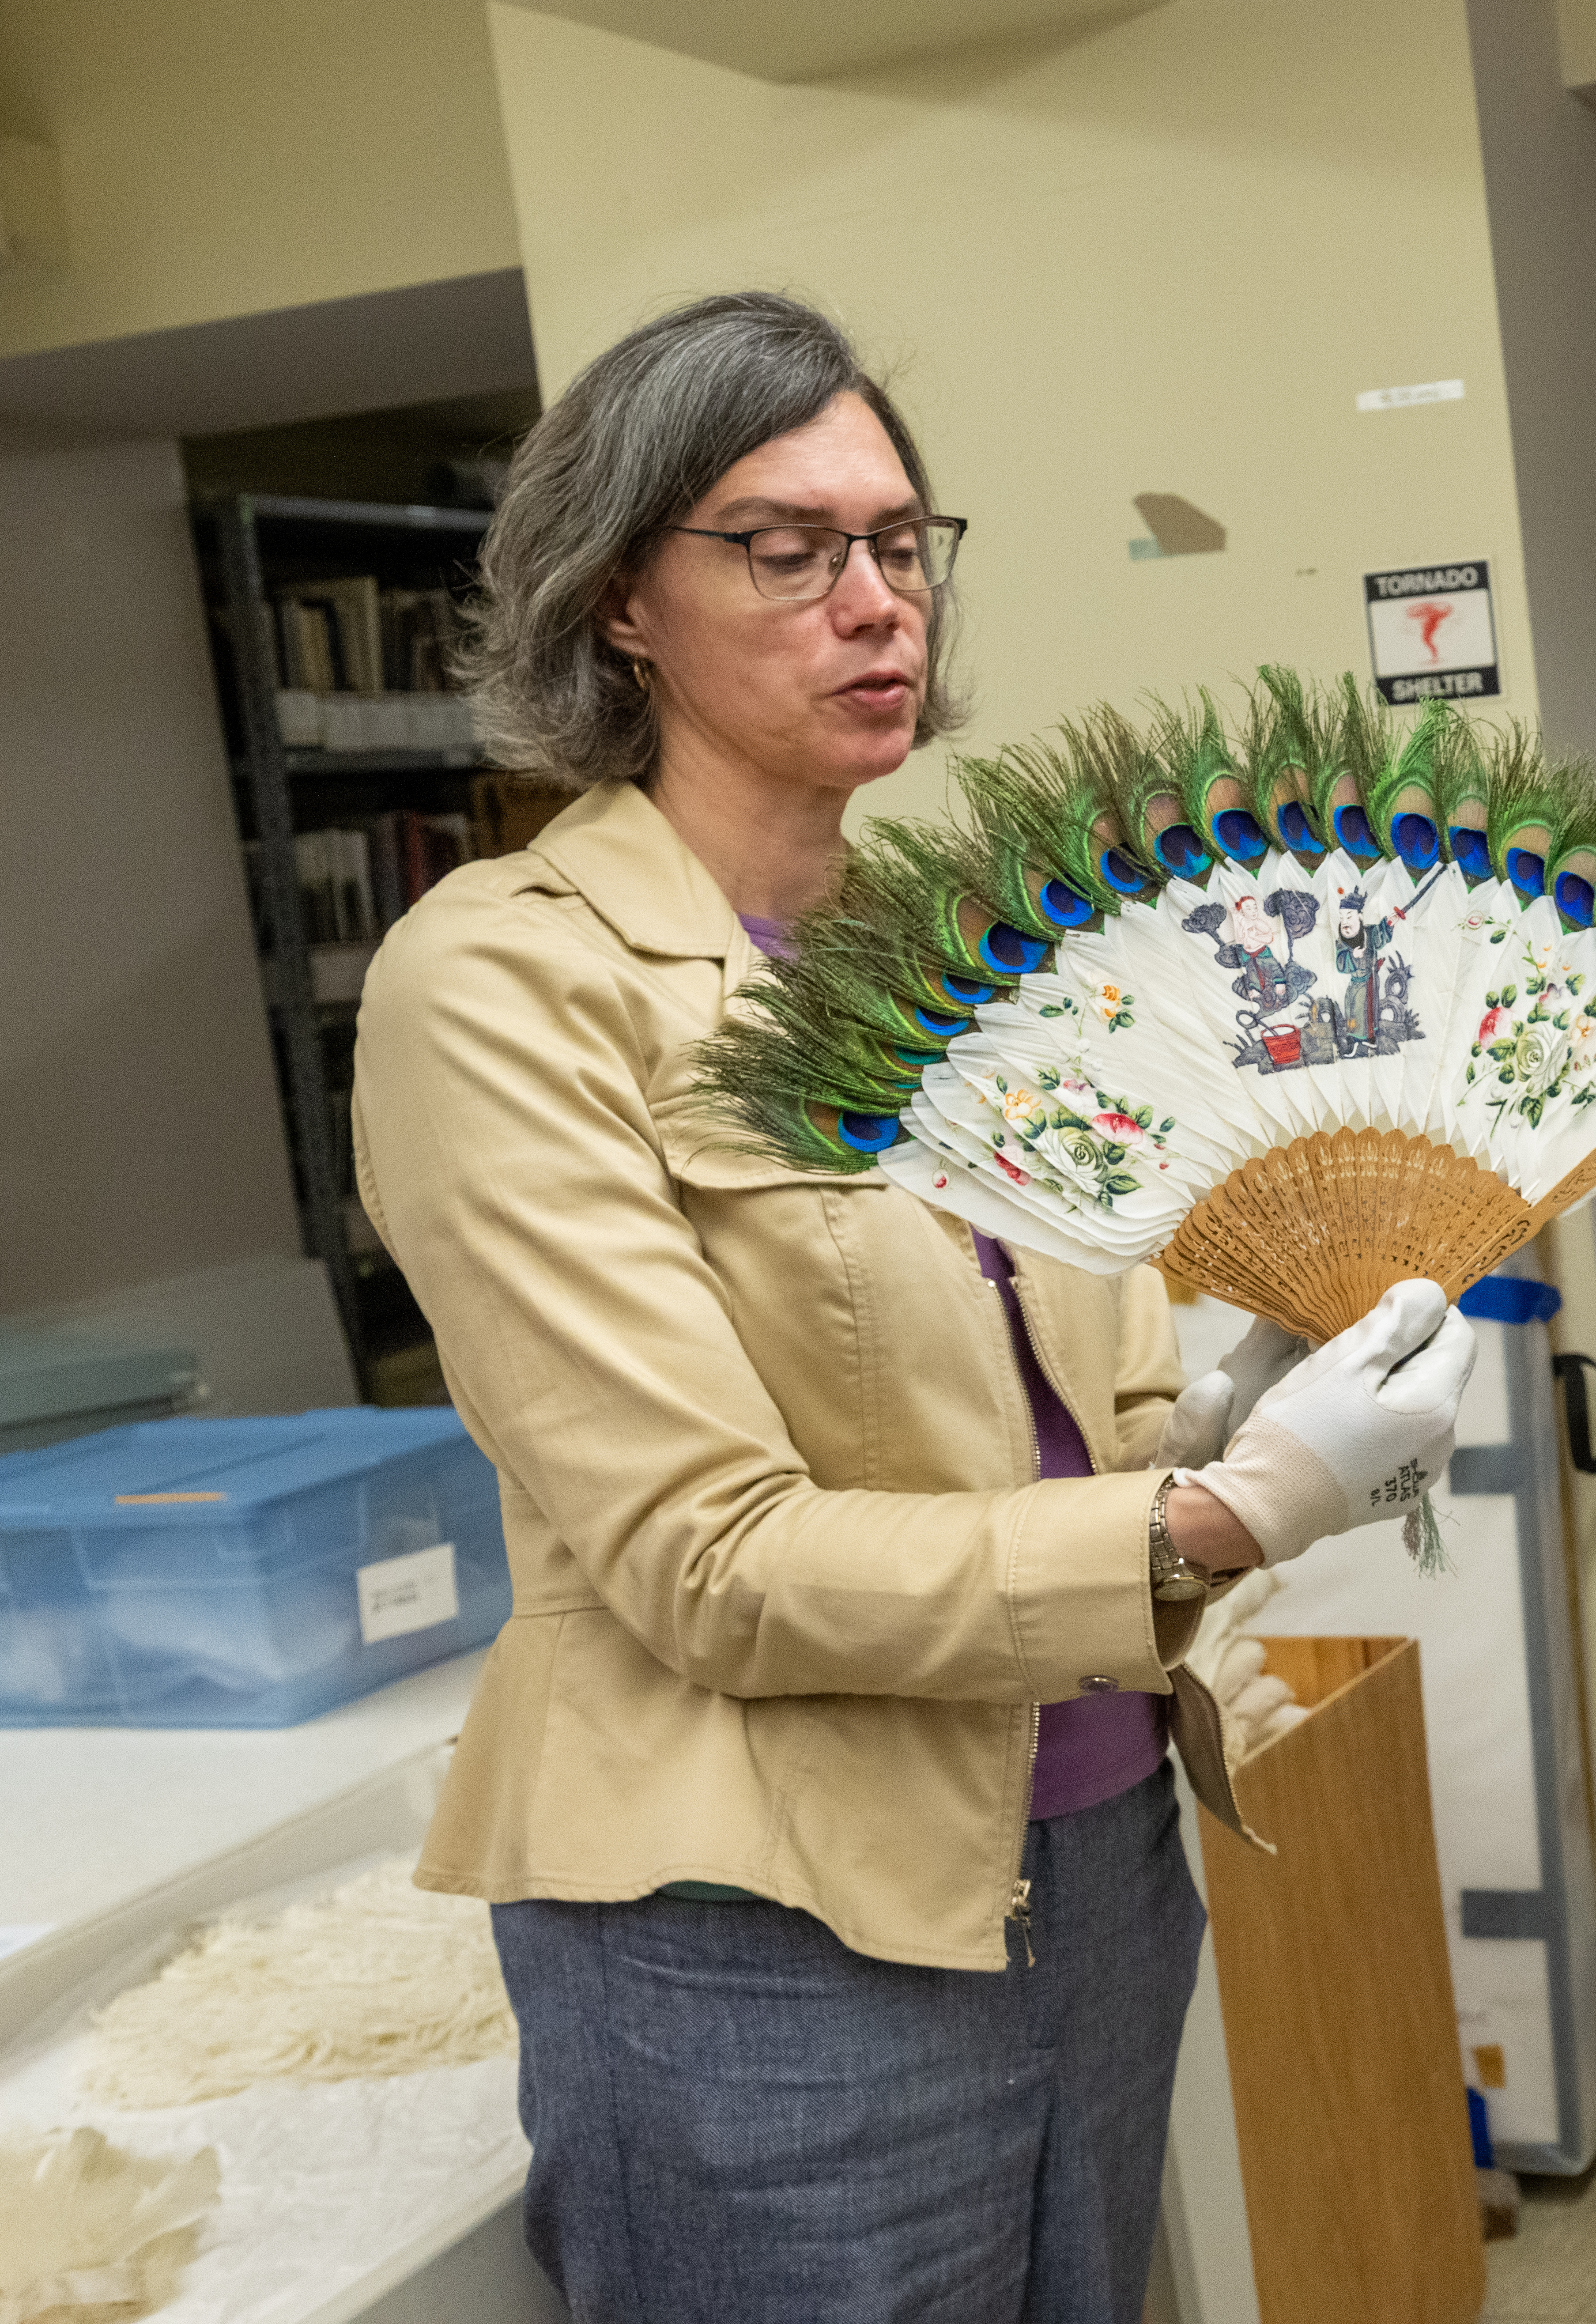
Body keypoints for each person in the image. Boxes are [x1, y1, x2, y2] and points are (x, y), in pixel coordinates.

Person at [353, 291, 1475, 2322]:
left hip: (1100, 1859)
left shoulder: (947, 955)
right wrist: (1228, 1518)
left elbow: (1055, 1415)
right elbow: (713, 1560)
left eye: (898, 544)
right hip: (757, 1932)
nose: (874, 603)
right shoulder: (506, 981)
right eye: (785, 550)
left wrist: (1239, 1406)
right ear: (623, 602)